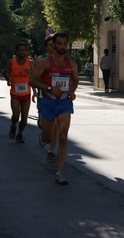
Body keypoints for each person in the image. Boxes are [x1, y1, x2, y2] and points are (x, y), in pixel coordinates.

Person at [29, 32, 79, 185]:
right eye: (59, 44)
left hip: (64, 102)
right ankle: (43, 137)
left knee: (63, 137)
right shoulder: (45, 62)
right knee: (49, 137)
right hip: (48, 102)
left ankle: (60, 172)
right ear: (54, 45)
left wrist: (72, 91)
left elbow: (75, 80)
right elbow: (31, 80)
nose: (62, 47)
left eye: (65, 44)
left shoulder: (72, 64)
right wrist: (49, 87)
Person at [3, 42, 35, 143]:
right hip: (15, 94)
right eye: (20, 50)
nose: (22, 52)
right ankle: (13, 126)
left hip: (26, 94)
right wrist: (8, 79)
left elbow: (35, 77)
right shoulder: (11, 62)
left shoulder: (30, 63)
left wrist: (31, 73)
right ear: (17, 52)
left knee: (25, 117)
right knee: (16, 115)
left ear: (27, 51)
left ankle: (20, 134)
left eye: (24, 50)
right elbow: (4, 72)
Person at [34, 34, 59, 163]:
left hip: (59, 96)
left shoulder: (62, 60)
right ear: (46, 47)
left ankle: (51, 151)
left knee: (56, 126)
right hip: (43, 94)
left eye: (55, 44)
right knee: (44, 125)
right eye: (50, 45)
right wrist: (34, 91)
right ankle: (44, 135)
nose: (53, 47)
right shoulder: (40, 60)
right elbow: (33, 78)